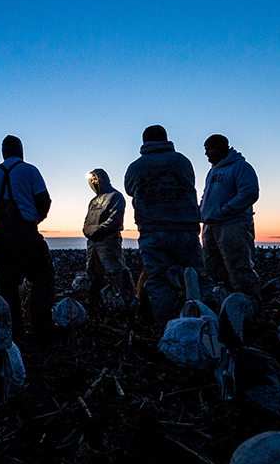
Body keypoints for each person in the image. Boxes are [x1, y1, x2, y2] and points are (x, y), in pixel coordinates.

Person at [123, 125, 212, 328]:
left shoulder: (136, 167)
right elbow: (190, 183)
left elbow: (129, 190)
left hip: (152, 231)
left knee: (159, 280)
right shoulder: (182, 161)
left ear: (144, 142)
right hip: (185, 229)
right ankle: (207, 321)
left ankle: (169, 326)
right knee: (197, 275)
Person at [0, 135, 55, 338]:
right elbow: (44, 201)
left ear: (3, 151)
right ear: (20, 150)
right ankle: (42, 327)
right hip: (25, 231)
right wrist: (32, 221)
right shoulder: (30, 170)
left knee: (7, 282)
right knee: (43, 277)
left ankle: (13, 331)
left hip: (1, 233)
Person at [201, 134, 261, 304]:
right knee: (213, 269)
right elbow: (207, 196)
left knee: (239, 268)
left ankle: (250, 307)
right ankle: (223, 305)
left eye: (209, 149)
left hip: (233, 225)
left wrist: (225, 210)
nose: (207, 154)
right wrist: (203, 211)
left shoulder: (240, 167)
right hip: (210, 226)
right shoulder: (212, 172)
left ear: (220, 147)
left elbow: (249, 193)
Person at [82, 168, 135, 313]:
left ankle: (128, 302)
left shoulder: (115, 196)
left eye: (95, 179)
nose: (93, 182)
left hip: (109, 240)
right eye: (91, 180)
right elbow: (88, 219)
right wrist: (87, 230)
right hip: (93, 242)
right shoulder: (93, 201)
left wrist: (99, 230)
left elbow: (115, 219)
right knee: (92, 271)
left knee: (117, 271)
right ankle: (96, 304)